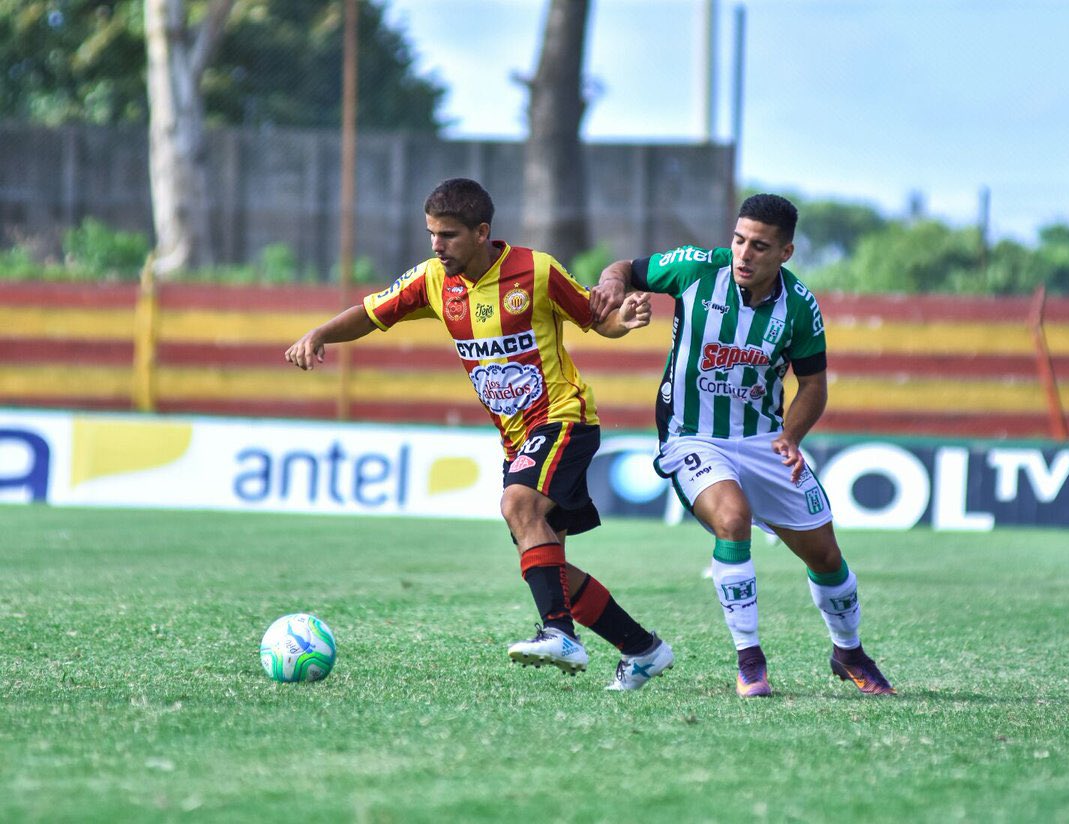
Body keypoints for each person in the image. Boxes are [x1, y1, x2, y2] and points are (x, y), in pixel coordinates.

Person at [285, 177, 673, 691]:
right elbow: (372, 314)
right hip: (516, 439)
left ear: (482, 232)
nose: (436, 245)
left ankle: (559, 635)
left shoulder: (536, 270)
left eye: (447, 235)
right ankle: (643, 649)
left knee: (518, 506)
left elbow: (597, 319)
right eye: (431, 233)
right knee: (548, 564)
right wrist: (320, 333)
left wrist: (625, 318)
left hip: (564, 418)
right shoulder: (432, 280)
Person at [589, 193, 895, 697]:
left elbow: (813, 386)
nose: (744, 254)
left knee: (826, 556)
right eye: (739, 240)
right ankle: (750, 660)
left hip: (764, 440)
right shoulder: (695, 269)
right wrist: (611, 288)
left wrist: (791, 436)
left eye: (759, 246)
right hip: (693, 436)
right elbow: (624, 268)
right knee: (732, 518)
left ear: (785, 252)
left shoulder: (800, 306)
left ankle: (849, 652)